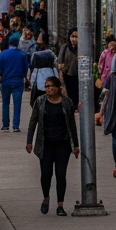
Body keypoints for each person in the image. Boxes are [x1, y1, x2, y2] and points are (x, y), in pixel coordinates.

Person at [26, 76, 79, 217]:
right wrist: (29, 141)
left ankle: (60, 205)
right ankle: (46, 198)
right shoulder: (40, 101)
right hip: (45, 144)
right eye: (47, 86)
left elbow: (72, 125)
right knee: (45, 174)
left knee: (61, 175)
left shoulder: (67, 103)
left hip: (63, 144)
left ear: (58, 88)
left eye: (52, 86)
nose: (49, 89)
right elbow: (33, 122)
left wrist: (76, 145)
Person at [0, 37, 30, 132]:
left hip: (5, 81)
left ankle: (5, 125)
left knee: (5, 103)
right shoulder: (22, 55)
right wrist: (23, 76)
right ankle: (16, 126)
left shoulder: (3, 54)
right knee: (17, 104)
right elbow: (25, 69)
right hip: (18, 81)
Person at [28, 32, 58, 104]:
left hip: (39, 84)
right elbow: (55, 66)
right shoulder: (51, 53)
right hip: (51, 83)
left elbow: (33, 69)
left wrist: (31, 81)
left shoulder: (35, 54)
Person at [58, 30, 81, 111]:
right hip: (66, 74)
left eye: (76, 37)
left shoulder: (82, 48)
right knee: (67, 92)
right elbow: (60, 62)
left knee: (76, 92)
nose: (74, 39)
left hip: (77, 74)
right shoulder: (65, 47)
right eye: (72, 36)